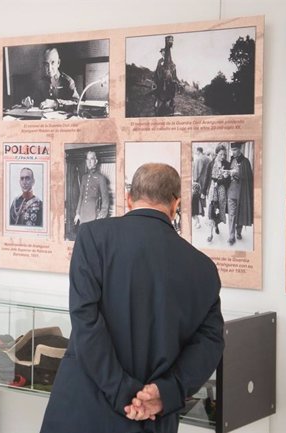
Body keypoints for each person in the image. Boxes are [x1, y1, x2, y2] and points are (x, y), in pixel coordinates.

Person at [40, 163, 224, 433]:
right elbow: (210, 343)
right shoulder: (204, 268)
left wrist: (123, 392)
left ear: (129, 198)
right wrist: (165, 393)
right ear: (176, 204)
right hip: (153, 417)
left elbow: (85, 321)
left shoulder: (93, 238)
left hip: (85, 408)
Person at [21, 47, 79, 111]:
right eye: (46, 64)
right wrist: (29, 102)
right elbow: (34, 99)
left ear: (58, 63)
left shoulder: (68, 81)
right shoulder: (41, 82)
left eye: (53, 62)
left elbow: (76, 103)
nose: (49, 68)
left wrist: (56, 103)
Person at [226, 141, 254, 246]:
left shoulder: (246, 162)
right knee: (232, 214)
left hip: (241, 192)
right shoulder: (232, 160)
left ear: (240, 149)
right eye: (232, 150)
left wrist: (237, 173)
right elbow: (228, 175)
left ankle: (238, 232)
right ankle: (231, 236)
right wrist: (226, 175)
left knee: (240, 212)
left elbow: (249, 178)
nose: (233, 152)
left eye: (235, 150)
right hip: (231, 192)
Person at [74, 151, 110, 226]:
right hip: (83, 215)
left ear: (96, 161)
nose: (89, 162)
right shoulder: (84, 177)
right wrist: (78, 213)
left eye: (92, 159)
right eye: (87, 159)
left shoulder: (101, 178)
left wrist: (101, 216)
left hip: (93, 215)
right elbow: (81, 197)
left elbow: (105, 199)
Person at [203, 144, 230, 243]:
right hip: (212, 190)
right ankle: (210, 234)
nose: (223, 156)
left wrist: (224, 179)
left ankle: (216, 225)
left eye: (224, 154)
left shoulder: (227, 164)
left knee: (219, 210)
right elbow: (207, 178)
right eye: (221, 154)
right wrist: (203, 191)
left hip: (221, 190)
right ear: (216, 153)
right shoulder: (211, 163)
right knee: (211, 210)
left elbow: (228, 181)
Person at [191, 146, 210, 228]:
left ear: (198, 151)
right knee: (205, 199)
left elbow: (197, 172)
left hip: (200, 181)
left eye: (196, 151)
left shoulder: (199, 159)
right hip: (207, 181)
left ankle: (198, 220)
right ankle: (207, 218)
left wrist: (195, 181)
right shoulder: (208, 158)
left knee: (197, 200)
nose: (196, 153)